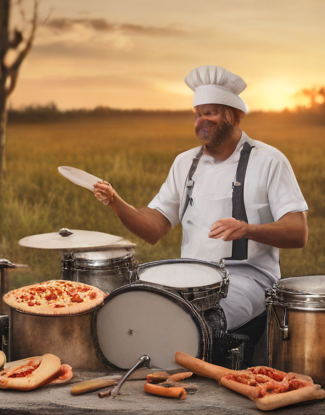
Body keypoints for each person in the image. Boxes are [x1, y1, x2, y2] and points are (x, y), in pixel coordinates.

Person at [93, 65, 308, 362]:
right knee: (131, 307)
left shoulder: (270, 161)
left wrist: (248, 229)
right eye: (197, 113)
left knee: (193, 322)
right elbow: (154, 228)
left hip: (247, 279)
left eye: (210, 113)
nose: (200, 121)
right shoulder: (185, 163)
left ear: (232, 115)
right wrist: (117, 201)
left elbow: (298, 232)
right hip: (190, 276)